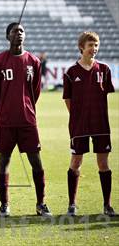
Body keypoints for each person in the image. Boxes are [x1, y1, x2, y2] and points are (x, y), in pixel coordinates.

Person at [0, 22, 51, 217]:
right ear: (8, 36)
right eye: (15, 31)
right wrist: (4, 110)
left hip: (27, 121)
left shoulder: (34, 61)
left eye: (22, 31)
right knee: (4, 160)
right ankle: (4, 204)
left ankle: (41, 203)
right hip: (6, 121)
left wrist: (27, 108)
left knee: (36, 162)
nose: (19, 34)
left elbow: (36, 91)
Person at [63, 31, 116, 217]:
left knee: (103, 162)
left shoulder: (105, 69)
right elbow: (68, 99)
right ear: (81, 48)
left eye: (96, 45)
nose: (94, 49)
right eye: (90, 46)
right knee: (76, 161)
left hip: (101, 124)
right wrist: (78, 116)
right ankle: (72, 204)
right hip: (79, 126)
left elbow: (106, 94)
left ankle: (107, 205)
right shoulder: (71, 72)